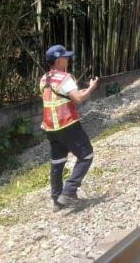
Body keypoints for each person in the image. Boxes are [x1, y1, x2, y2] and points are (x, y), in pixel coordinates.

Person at [40, 44, 99, 210]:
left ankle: (56, 200)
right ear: (58, 60)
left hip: (50, 128)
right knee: (86, 155)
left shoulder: (44, 79)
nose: (68, 59)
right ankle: (69, 191)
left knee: (57, 162)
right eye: (65, 57)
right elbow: (78, 98)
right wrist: (91, 88)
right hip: (68, 124)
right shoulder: (65, 78)